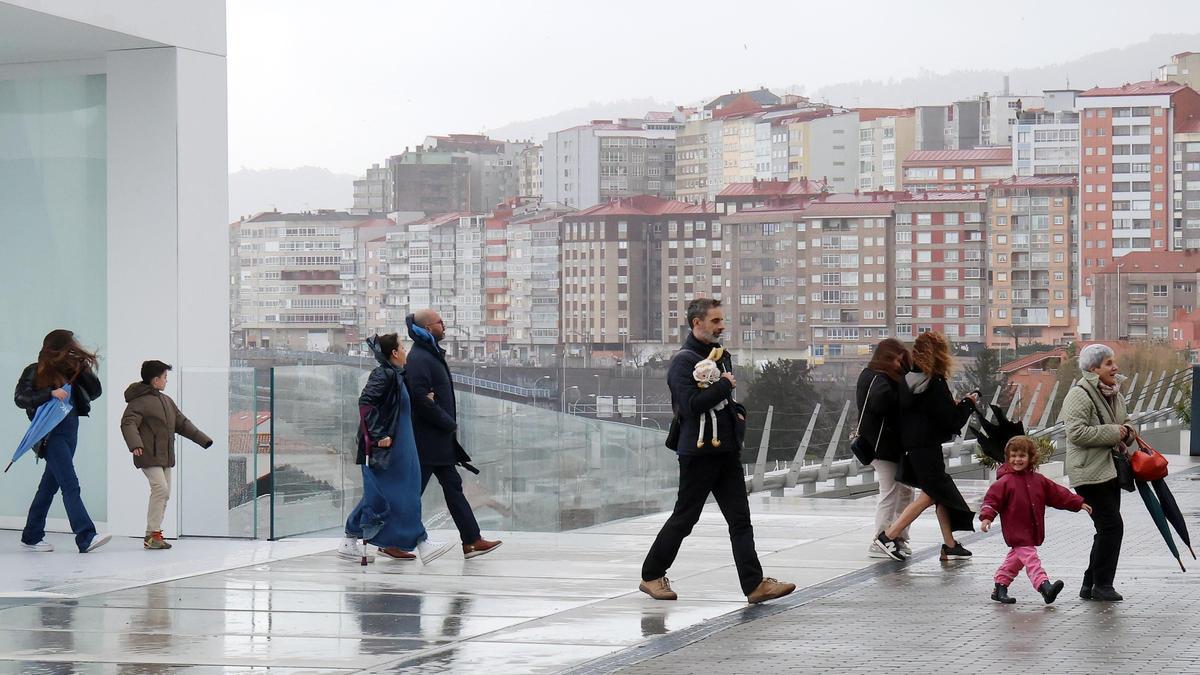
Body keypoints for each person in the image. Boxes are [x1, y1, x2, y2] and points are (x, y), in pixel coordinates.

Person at [640, 298, 795, 604]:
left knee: (740, 519)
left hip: (725, 450)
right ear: (697, 323)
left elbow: (725, 398)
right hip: (697, 454)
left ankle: (754, 585)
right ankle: (651, 575)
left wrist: (737, 413)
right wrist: (723, 386)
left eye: (721, 320)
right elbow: (690, 406)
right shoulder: (683, 362)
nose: (721, 326)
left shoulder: (721, 357)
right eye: (715, 321)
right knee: (685, 518)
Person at [340, 333, 453, 565]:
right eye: (402, 347)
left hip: (403, 447)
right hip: (390, 449)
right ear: (394, 353)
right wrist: (378, 436)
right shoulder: (384, 374)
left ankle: (351, 538)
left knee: (395, 496)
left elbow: (395, 408)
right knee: (397, 497)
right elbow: (366, 404)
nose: (405, 351)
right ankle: (422, 543)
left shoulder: (396, 376)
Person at [872, 331, 978, 562]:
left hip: (911, 446)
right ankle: (888, 535)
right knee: (931, 494)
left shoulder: (907, 380)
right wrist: (968, 404)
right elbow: (951, 420)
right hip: (927, 446)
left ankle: (950, 544)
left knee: (939, 492)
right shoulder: (935, 382)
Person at [405, 310, 501, 559]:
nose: (444, 326)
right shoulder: (420, 357)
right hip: (427, 439)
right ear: (427, 327)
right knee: (412, 493)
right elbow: (419, 398)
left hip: (437, 439)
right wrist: (446, 422)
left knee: (451, 487)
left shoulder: (429, 354)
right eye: (439, 322)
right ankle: (390, 541)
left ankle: (471, 540)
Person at [15, 329, 111, 553]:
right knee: (70, 484)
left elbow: (95, 392)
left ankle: (31, 535)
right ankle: (86, 536)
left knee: (49, 487)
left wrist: (84, 369)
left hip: (70, 431)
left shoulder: (71, 369)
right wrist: (50, 393)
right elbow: (21, 398)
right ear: (59, 347)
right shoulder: (34, 370)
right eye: (70, 345)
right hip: (50, 434)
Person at [1060, 343, 1136, 602]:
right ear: (1093, 369)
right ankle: (1102, 585)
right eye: (1108, 363)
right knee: (1112, 526)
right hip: (1088, 473)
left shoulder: (1114, 393)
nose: (1115, 367)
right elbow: (1077, 433)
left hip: (1109, 470)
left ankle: (1090, 584)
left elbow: (1125, 422)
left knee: (1106, 528)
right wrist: (1116, 432)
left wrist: (1128, 431)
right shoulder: (1079, 394)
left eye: (1113, 362)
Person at [979, 436, 1092, 605]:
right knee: (1031, 559)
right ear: (1008, 458)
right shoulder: (1004, 482)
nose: (1017, 460)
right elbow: (992, 500)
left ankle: (1000, 587)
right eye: (1014, 456)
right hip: (1016, 530)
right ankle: (1044, 587)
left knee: (1015, 561)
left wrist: (1077, 502)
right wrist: (987, 517)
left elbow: (1057, 493)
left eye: (1022, 456)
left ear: (1031, 457)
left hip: (1031, 529)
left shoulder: (1038, 480)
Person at [119, 360, 213, 550]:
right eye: (164, 377)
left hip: (165, 456)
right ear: (155, 380)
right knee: (160, 489)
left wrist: (203, 439)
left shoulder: (166, 401)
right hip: (146, 453)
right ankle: (153, 534)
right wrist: (135, 444)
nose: (166, 381)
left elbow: (182, 423)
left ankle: (153, 534)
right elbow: (128, 423)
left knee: (165, 493)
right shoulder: (138, 402)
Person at [857, 338, 914, 558]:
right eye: (895, 360)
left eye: (901, 360)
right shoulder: (877, 378)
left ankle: (897, 535)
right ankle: (880, 539)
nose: (899, 365)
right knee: (890, 492)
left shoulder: (876, 376)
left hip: (891, 446)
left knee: (906, 492)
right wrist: (903, 387)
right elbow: (881, 404)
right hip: (881, 447)